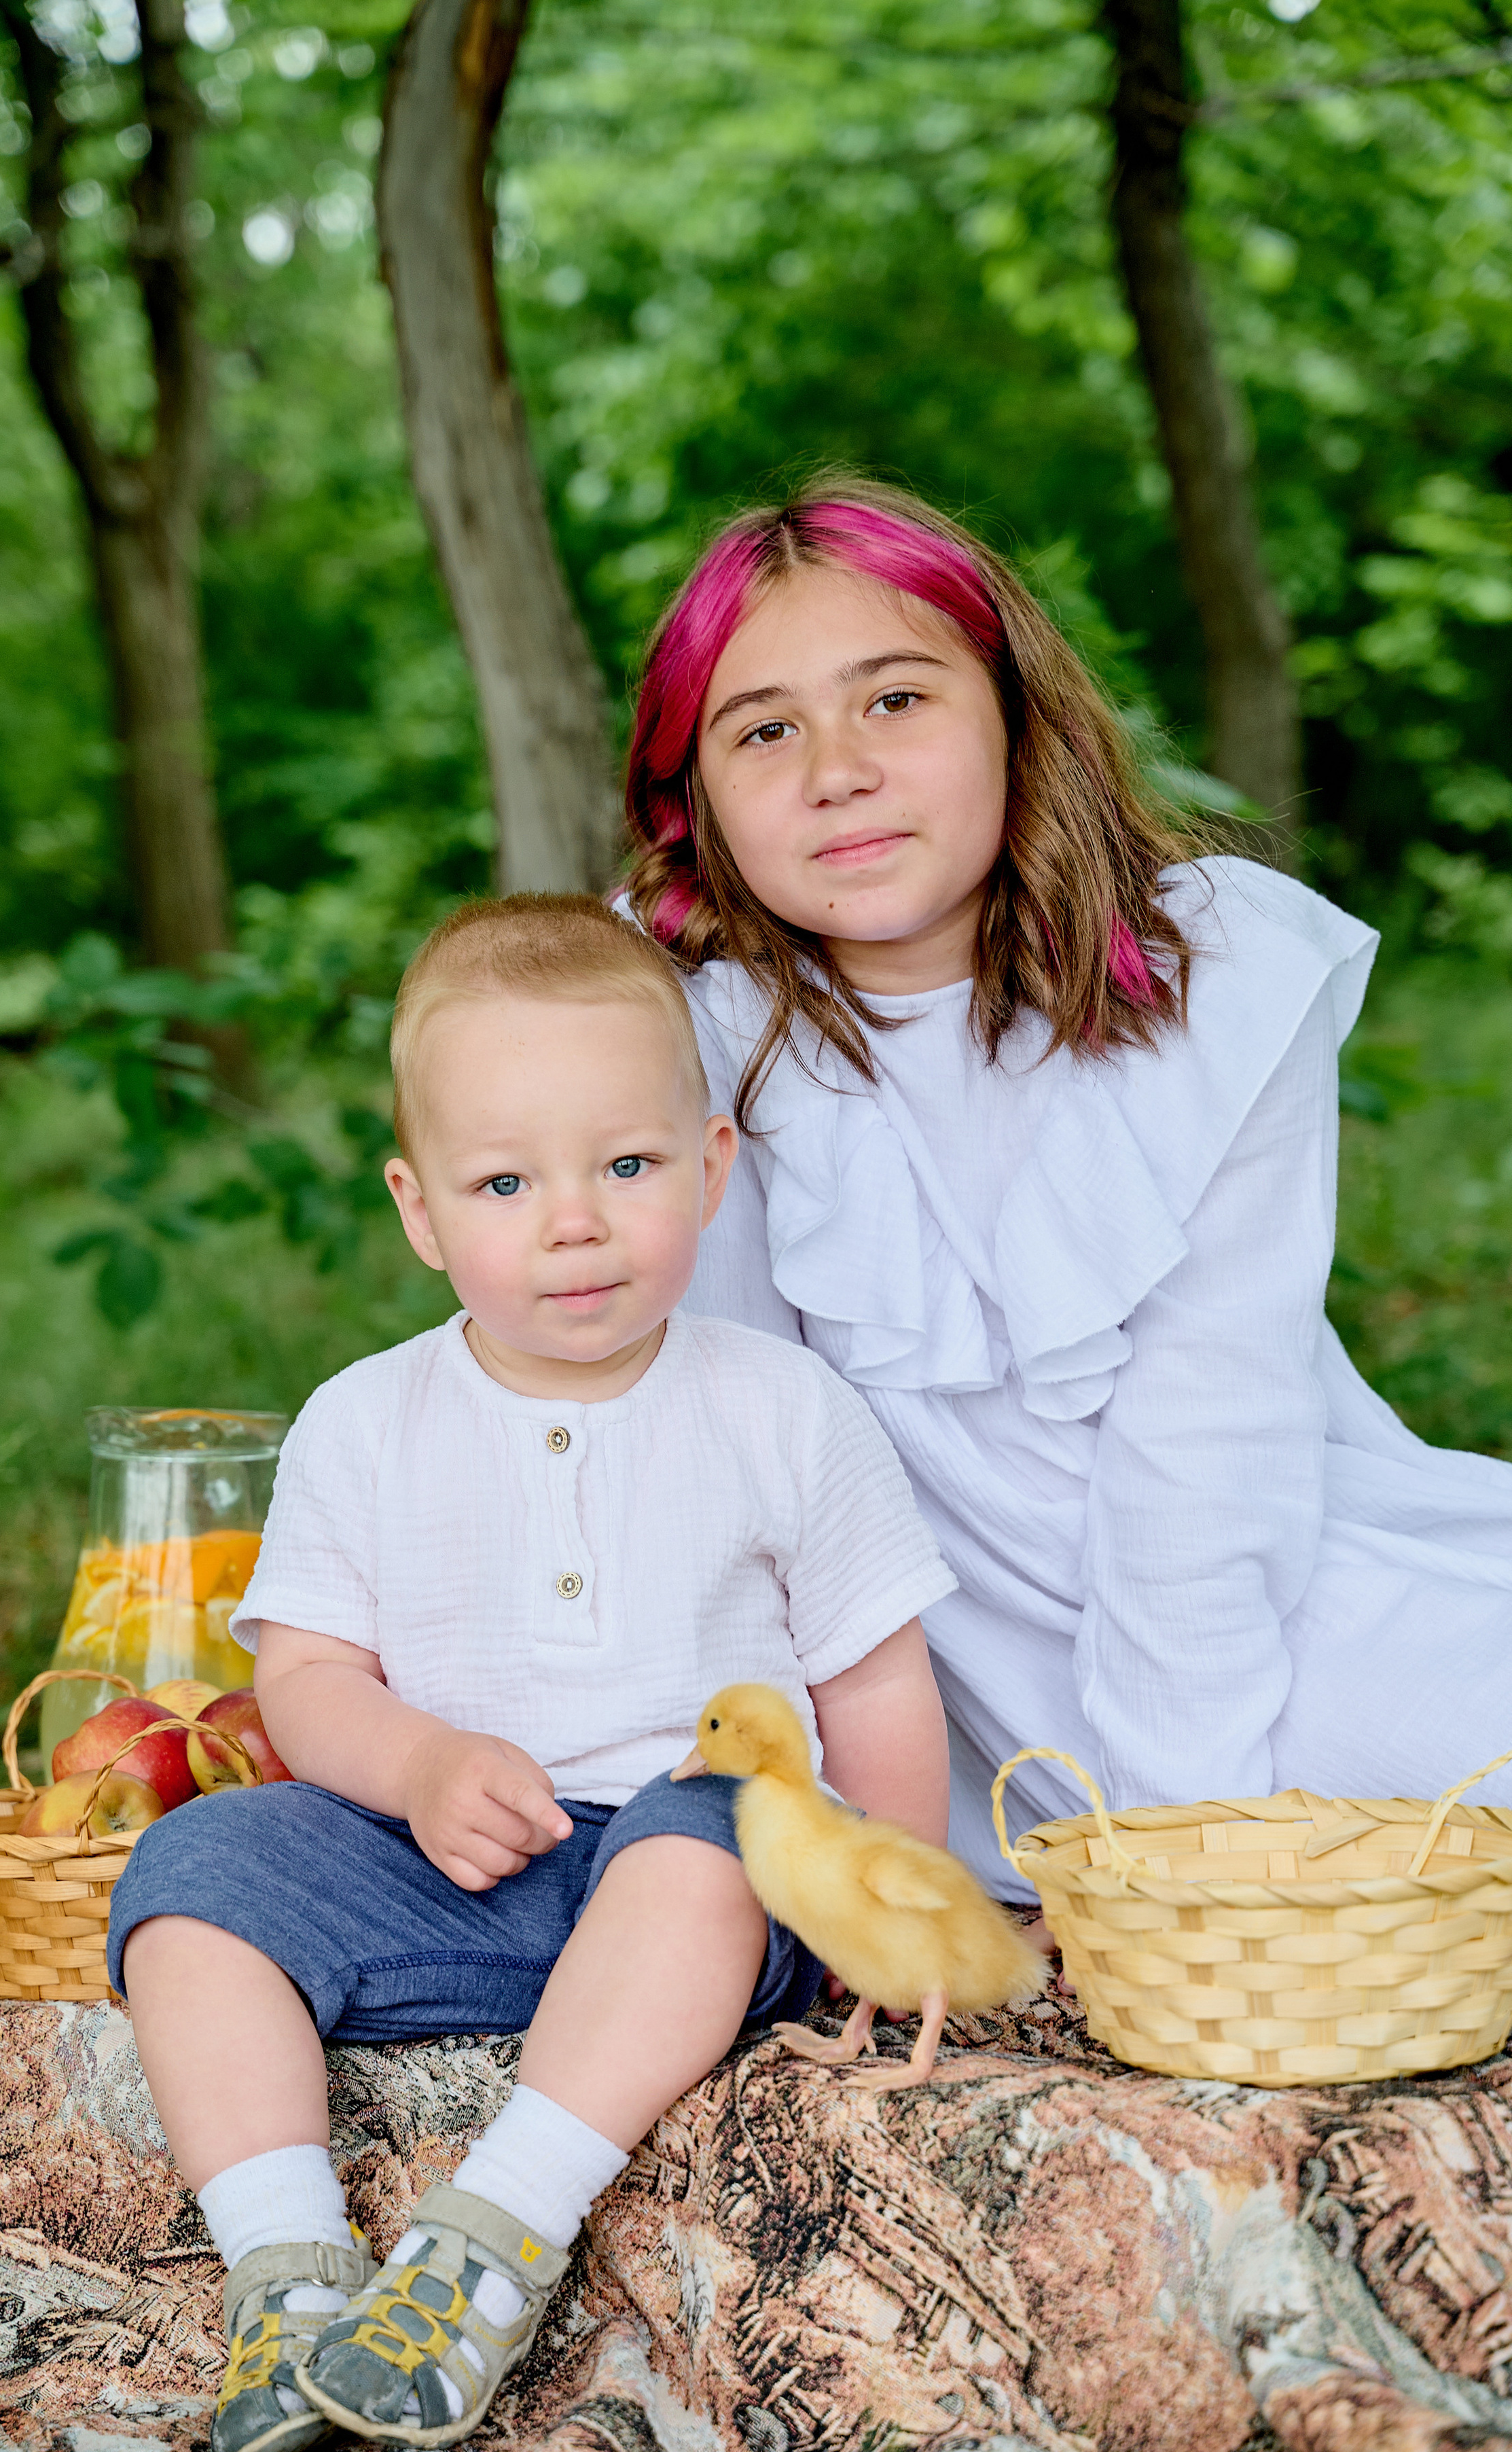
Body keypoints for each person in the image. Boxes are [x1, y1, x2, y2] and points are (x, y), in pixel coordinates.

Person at [109, 893, 956, 2452]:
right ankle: (286, 2279)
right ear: (421, 1210)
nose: (574, 1221)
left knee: (716, 1830)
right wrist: (417, 1762)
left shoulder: (784, 1409)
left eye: (625, 1167)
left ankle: (487, 2243)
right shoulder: (361, 1422)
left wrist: (886, 1903)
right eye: (505, 1182)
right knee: (196, 1872)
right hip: (445, 1861)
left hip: (685, 1885)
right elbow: (301, 1678)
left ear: (709, 1167)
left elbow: (875, 1675)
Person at [623, 474, 1512, 1901]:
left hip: (1249, 1607)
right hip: (932, 1691)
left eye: (893, 699)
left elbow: (1206, 1447)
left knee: (1460, 1739)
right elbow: (714, 1439)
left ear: (1011, 714)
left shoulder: (1206, 982)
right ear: (697, 799)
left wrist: (1179, 1829)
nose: (833, 768)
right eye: (763, 729)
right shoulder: (688, 1029)